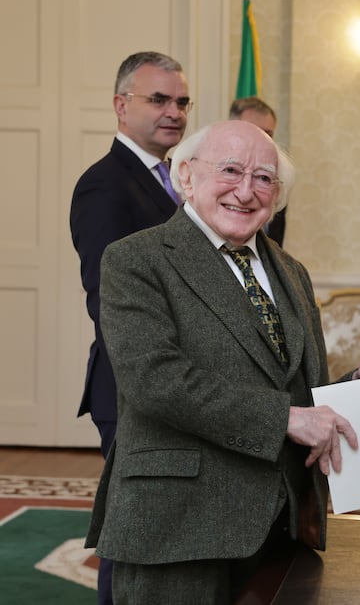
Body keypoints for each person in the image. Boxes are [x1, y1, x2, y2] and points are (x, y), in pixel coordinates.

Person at [84, 119, 360, 604]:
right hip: (180, 527)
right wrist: (286, 419)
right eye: (230, 170)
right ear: (186, 176)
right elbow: (155, 381)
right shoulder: (135, 261)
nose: (246, 191)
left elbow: (294, 392)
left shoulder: (291, 271)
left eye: (264, 178)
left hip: (280, 522)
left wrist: (358, 383)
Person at [69, 50, 191, 605]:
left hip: (181, 384)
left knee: (168, 526)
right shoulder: (105, 185)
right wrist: (158, 369)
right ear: (122, 107)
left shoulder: (178, 179)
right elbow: (108, 298)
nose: (174, 111)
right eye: (158, 99)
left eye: (182, 101)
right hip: (134, 385)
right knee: (131, 533)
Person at [229, 96, 286, 246]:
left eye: (267, 134)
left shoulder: (276, 182)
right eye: (253, 131)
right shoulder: (216, 178)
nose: (261, 140)